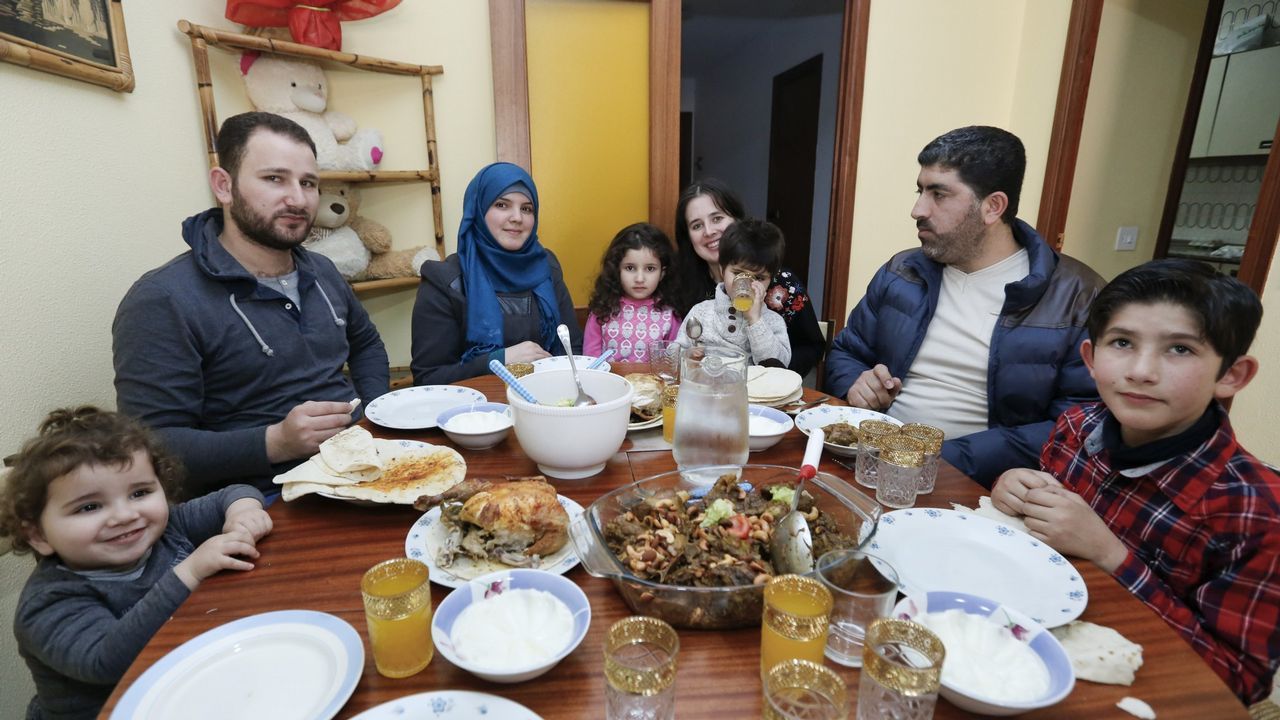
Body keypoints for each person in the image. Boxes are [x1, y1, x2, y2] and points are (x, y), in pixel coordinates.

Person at [991, 260, 1280, 705]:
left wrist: (1110, 554)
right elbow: (1039, 534)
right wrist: (1015, 489)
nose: (1141, 371)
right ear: (1090, 358)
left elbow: (1236, 683)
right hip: (1021, 652)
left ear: (1231, 375)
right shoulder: (1074, 426)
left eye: (1180, 349)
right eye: (1122, 342)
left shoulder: (1257, 513)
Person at [113, 112, 388, 496]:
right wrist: (275, 442)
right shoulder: (163, 299)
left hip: (364, 468)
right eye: (274, 178)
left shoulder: (323, 271)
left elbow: (367, 344)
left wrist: (372, 414)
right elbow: (153, 446)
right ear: (224, 186)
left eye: (308, 183)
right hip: (258, 503)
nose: (297, 198)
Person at [824, 126, 1105, 487]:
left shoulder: (1077, 295)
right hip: (871, 462)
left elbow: (1077, 422)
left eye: (939, 194)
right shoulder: (902, 272)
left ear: (992, 207)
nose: (917, 210)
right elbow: (846, 351)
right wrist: (855, 384)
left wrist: (944, 460)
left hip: (985, 485)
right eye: (920, 190)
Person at [0, 407, 273, 720]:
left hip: (185, 689)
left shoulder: (166, 529)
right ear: (37, 535)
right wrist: (189, 572)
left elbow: (233, 493)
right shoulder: (47, 603)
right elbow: (106, 660)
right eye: (89, 506)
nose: (126, 515)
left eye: (140, 492)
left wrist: (243, 512)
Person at [411, 162, 581, 384]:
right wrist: (498, 360)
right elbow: (428, 378)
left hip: (547, 401)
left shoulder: (546, 266)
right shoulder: (444, 280)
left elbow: (573, 350)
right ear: (478, 211)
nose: (517, 217)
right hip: (476, 411)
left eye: (527, 208)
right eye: (502, 205)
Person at [671, 179, 826, 376]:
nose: (709, 231)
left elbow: (810, 347)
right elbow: (679, 350)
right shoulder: (682, 285)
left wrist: (772, 378)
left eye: (717, 218)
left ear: (736, 220)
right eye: (696, 225)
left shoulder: (781, 282)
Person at [674, 218, 791, 365]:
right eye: (738, 273)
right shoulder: (701, 312)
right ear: (722, 270)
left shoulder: (773, 321)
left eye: (759, 278)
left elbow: (778, 366)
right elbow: (673, 355)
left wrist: (755, 321)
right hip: (704, 385)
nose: (747, 283)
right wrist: (687, 356)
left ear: (770, 280)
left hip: (751, 387)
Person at [583, 223, 681, 362]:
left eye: (650, 269)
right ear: (617, 270)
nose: (639, 279)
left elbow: (673, 364)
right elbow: (590, 359)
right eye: (630, 268)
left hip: (653, 383)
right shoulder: (602, 311)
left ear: (662, 273)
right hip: (608, 382)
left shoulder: (670, 315)